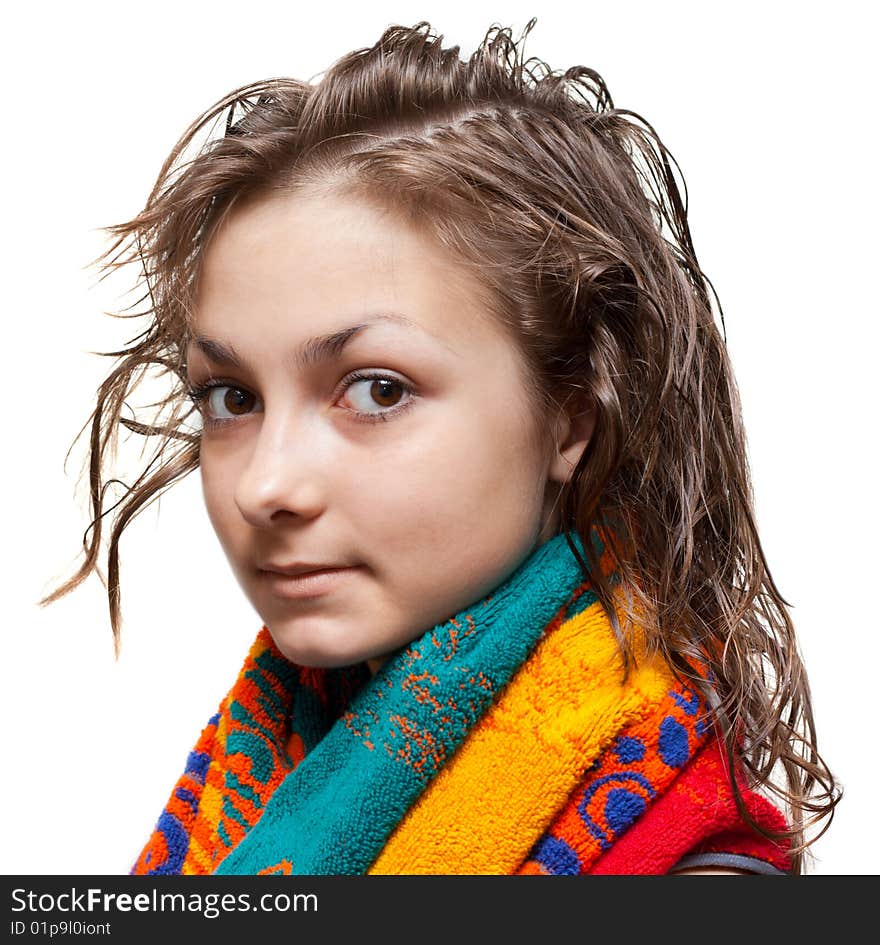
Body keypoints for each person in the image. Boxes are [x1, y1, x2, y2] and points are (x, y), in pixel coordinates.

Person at [43, 19, 839, 875]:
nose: (264, 485)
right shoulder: (252, 785)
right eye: (232, 398)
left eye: (377, 390)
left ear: (571, 418)